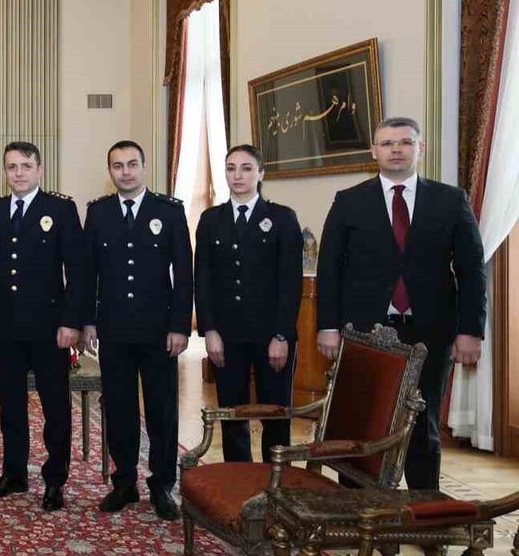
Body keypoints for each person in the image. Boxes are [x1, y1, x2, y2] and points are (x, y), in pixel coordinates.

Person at [317, 116, 485, 489]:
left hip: (430, 331)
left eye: (406, 142)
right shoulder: (348, 201)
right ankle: (355, 504)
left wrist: (471, 330)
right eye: (388, 143)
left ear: (420, 149)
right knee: (361, 419)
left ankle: (423, 505)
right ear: (373, 151)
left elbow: (472, 269)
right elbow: (329, 270)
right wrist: (327, 326)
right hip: (364, 333)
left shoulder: (450, 200)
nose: (397, 149)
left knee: (422, 422)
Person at [0, 141, 85, 511]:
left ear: (40, 169)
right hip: (6, 326)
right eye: (12, 167)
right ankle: (14, 473)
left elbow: (77, 271)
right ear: (5, 171)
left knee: (55, 407)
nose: (18, 173)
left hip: (50, 328)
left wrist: (72, 321)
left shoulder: (60, 209)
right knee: (11, 406)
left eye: (26, 166)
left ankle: (55, 479)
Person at [83, 140, 191, 520]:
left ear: (144, 168)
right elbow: (88, 273)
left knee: (162, 409)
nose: (125, 172)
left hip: (159, 330)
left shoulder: (169, 211)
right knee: (119, 407)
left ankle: (162, 485)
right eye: (118, 166)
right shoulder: (98, 213)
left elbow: (184, 273)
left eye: (132, 164)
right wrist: (88, 320)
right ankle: (124, 482)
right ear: (110, 171)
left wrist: (180, 325)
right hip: (114, 329)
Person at [194, 144, 303, 463]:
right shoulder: (211, 220)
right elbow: (203, 280)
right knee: (232, 415)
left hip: (271, 336)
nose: (237, 175)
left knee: (275, 415)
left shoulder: (282, 218)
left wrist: (282, 335)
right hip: (227, 336)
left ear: (261, 173)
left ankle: (276, 479)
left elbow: (290, 283)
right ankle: (238, 478)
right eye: (231, 168)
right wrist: (209, 330)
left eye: (246, 168)